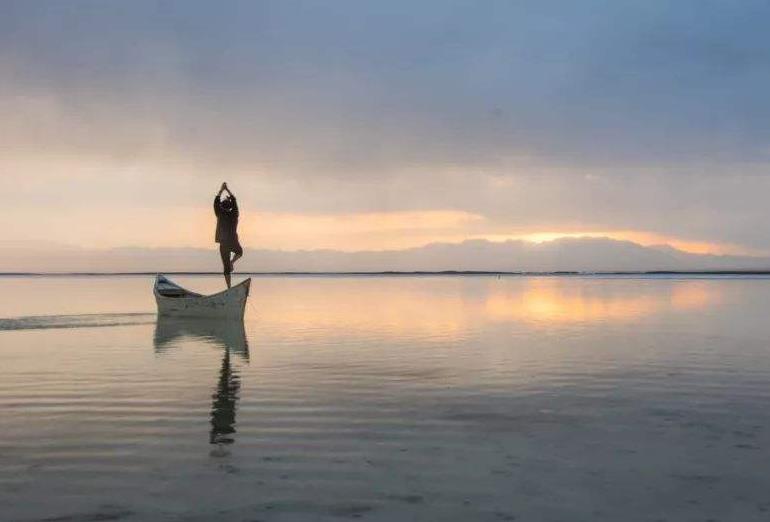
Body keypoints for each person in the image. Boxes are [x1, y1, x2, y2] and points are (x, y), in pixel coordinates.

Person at [214, 182, 243, 288]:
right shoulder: (234, 214)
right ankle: (232, 262)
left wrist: (221, 190)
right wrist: (228, 190)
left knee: (226, 269)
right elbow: (234, 201)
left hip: (224, 243)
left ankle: (229, 287)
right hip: (233, 241)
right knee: (240, 252)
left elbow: (216, 202)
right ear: (230, 206)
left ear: (222, 207)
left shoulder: (220, 214)